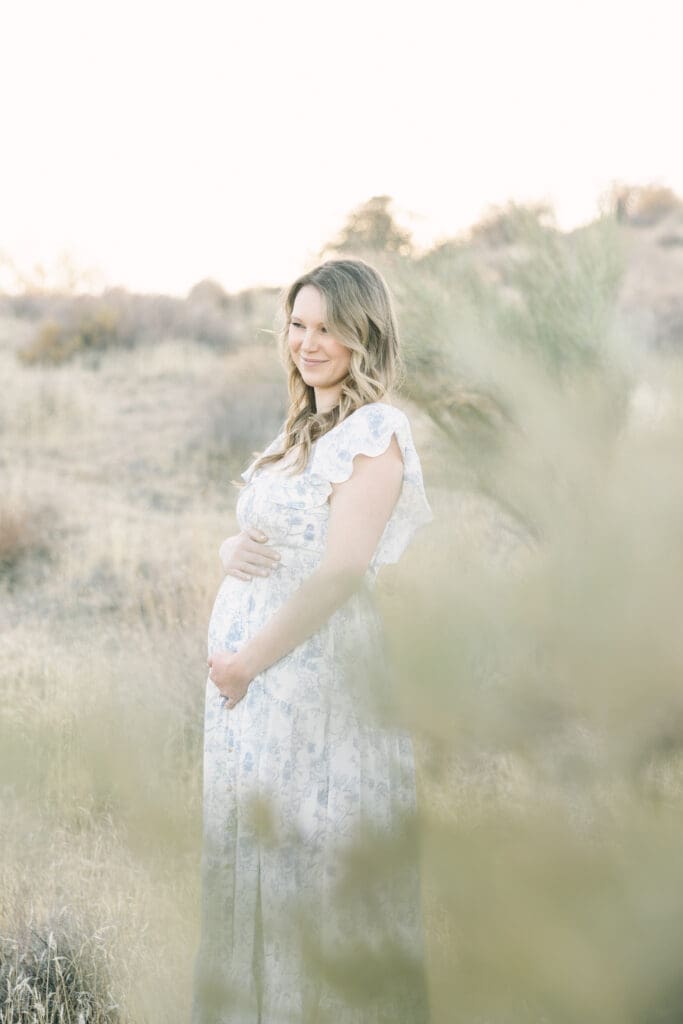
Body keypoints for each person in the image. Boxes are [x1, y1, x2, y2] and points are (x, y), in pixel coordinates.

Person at [191, 258, 434, 1023]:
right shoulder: (302, 427)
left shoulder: (374, 433)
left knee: (310, 863)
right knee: (257, 856)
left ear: (365, 332)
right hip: (253, 695)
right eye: (298, 324)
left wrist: (245, 665)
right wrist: (230, 555)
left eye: (328, 326)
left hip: (310, 681)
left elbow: (337, 576)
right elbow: (266, 537)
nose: (308, 341)